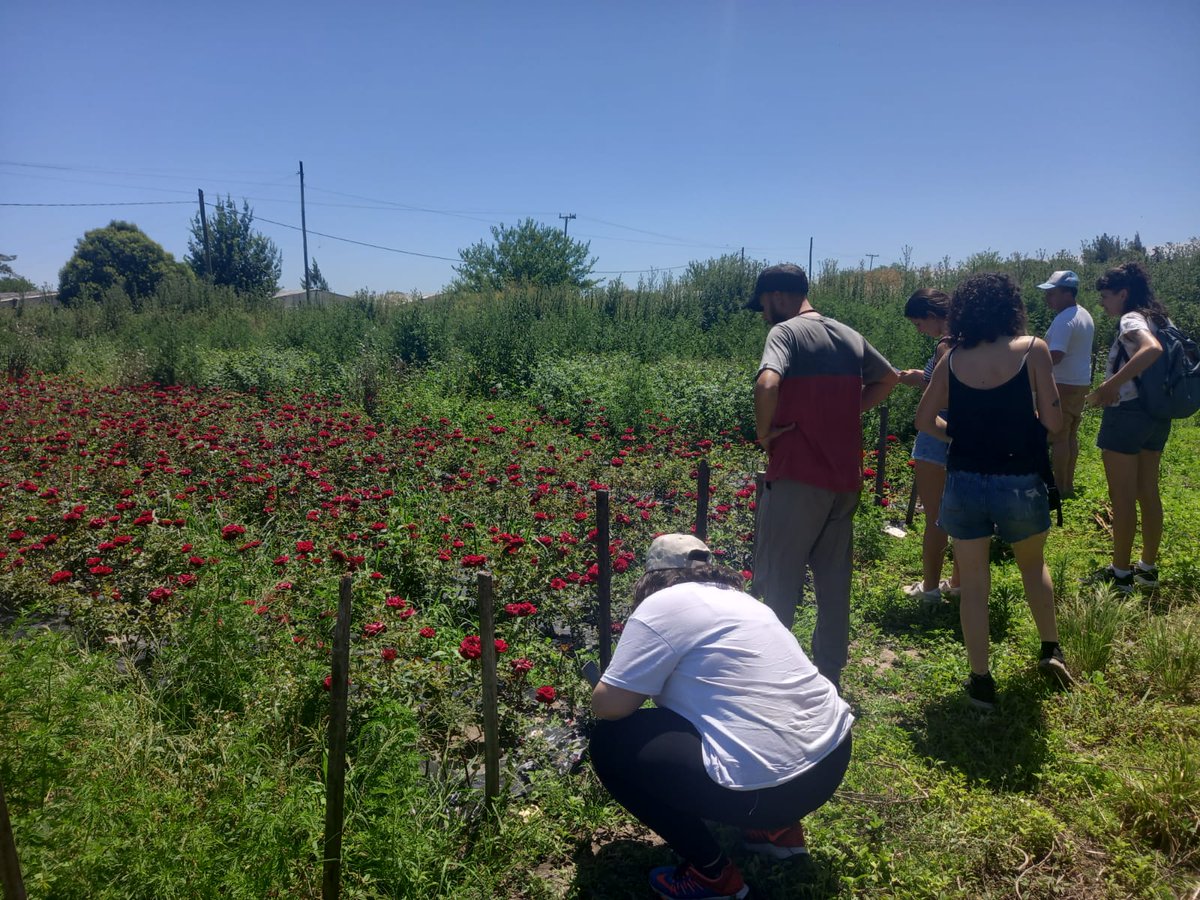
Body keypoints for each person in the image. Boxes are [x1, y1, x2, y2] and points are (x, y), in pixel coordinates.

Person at [590, 534, 854, 900]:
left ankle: (712, 875)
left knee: (609, 743)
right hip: (831, 759)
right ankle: (777, 833)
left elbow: (609, 706)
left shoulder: (661, 606)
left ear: (651, 577)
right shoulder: (745, 602)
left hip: (771, 791)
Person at [916, 273, 1072, 709]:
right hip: (1020, 478)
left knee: (974, 583)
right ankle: (1049, 649)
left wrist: (960, 437)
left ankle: (981, 681)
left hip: (964, 479)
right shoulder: (1033, 350)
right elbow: (1054, 423)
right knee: (1032, 566)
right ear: (1011, 308)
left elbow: (924, 420)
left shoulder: (951, 359)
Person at [747, 263, 898, 689]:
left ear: (778, 295)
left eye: (763, 305)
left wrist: (763, 432)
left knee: (780, 579)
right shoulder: (848, 335)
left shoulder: (786, 333)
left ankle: (774, 672)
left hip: (797, 476)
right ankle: (829, 672)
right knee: (833, 581)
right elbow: (887, 379)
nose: (763, 315)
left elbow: (767, 384)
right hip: (843, 478)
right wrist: (848, 411)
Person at [1086, 262, 1168, 592]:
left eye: (1106, 296)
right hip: (1156, 414)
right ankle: (1146, 570)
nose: (1103, 303)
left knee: (1121, 498)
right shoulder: (1159, 317)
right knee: (1148, 491)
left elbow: (1152, 349)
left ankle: (1120, 575)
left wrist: (1111, 386)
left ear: (1123, 294)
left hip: (1128, 413)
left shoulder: (1131, 319)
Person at [896, 288, 961, 605]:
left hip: (938, 433)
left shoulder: (946, 345)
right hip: (969, 432)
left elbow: (946, 392)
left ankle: (931, 589)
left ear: (933, 316)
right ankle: (959, 583)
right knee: (964, 512)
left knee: (936, 516)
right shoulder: (973, 339)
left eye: (918, 323)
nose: (919, 330)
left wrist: (930, 392)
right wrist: (916, 377)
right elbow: (943, 381)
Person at [1037, 270, 1095, 498]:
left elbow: (1057, 355)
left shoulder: (1064, 319)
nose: (1047, 298)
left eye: (1052, 293)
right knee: (1070, 435)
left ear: (1067, 293)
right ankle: (1067, 485)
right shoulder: (1083, 314)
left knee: (1058, 437)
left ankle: (1060, 489)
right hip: (1079, 382)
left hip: (1062, 383)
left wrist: (1033, 368)